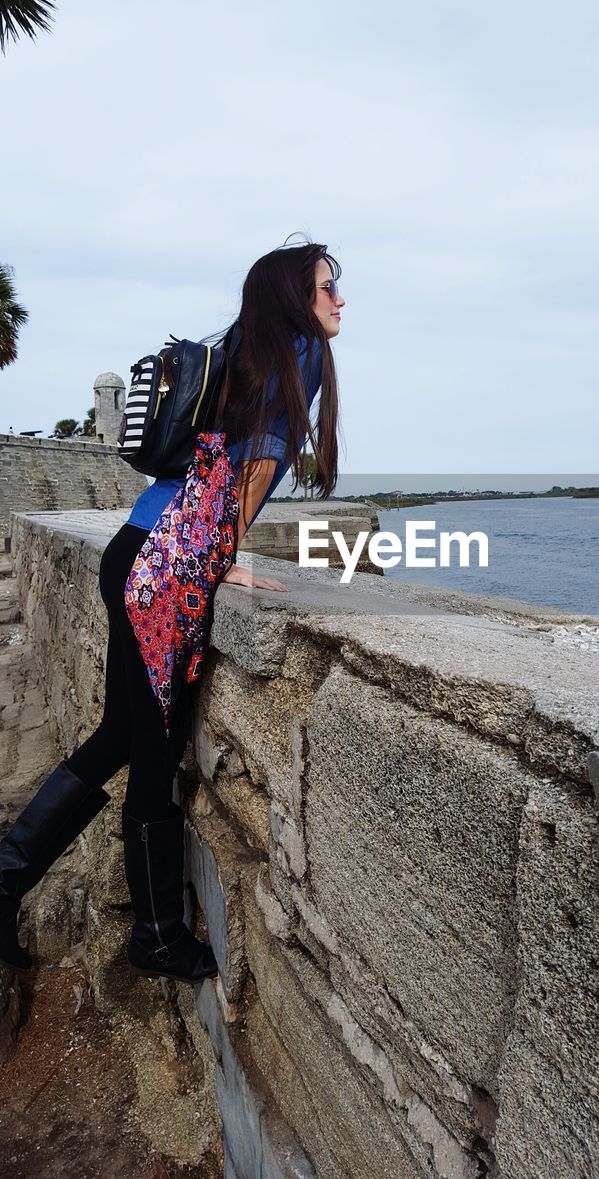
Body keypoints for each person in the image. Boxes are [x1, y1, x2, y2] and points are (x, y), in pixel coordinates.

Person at [0, 239, 343, 984]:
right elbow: (251, 469)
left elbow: (208, 466)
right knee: (152, 760)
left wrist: (219, 555)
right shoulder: (297, 357)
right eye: (327, 287)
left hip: (134, 546)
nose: (338, 300)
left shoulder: (239, 350)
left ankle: (5, 879)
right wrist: (224, 557)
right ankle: (155, 934)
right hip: (165, 574)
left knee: (122, 734)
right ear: (295, 298)